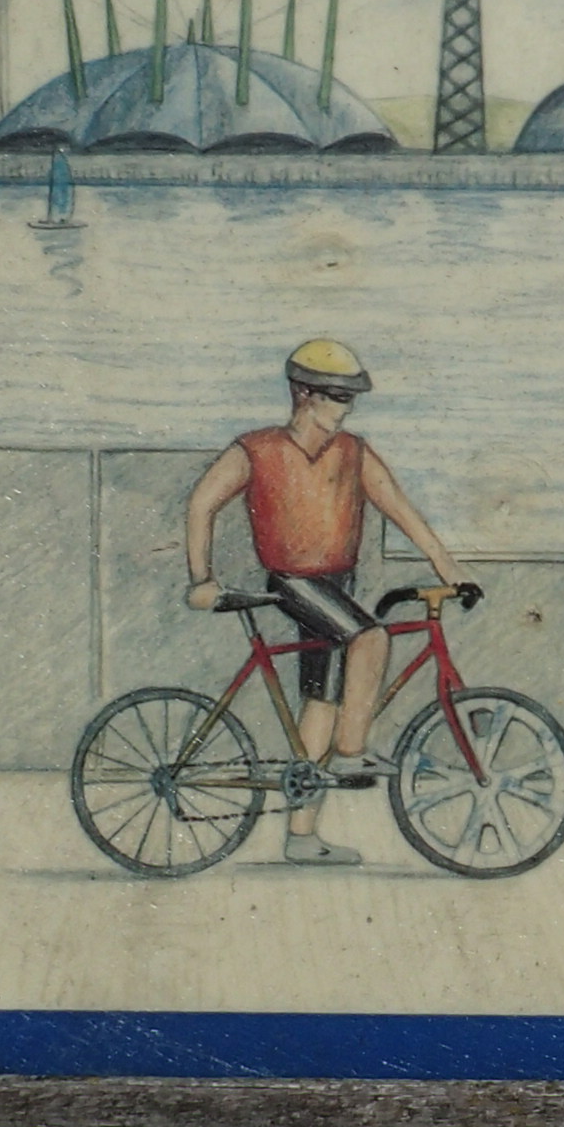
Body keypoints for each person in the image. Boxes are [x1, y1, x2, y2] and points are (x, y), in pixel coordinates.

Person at [184, 338, 474, 865]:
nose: (347, 409)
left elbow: (401, 510)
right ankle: (351, 753)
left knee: (320, 706)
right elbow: (202, 502)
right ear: (303, 394)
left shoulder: (353, 452)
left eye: (350, 398)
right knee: (371, 638)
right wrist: (202, 578)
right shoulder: (257, 449)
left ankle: (301, 837)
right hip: (292, 581)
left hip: (338, 583)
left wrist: (448, 569)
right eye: (338, 397)